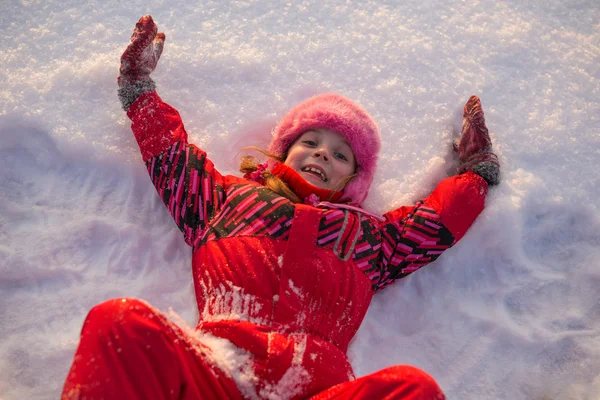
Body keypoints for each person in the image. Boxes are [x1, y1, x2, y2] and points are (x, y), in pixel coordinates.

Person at [61, 15, 500, 400]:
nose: (322, 154)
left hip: (317, 388)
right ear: (282, 152)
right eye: (310, 142)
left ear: (354, 180)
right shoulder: (223, 201)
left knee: (413, 389)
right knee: (119, 322)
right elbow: (172, 157)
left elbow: (433, 223)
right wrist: (139, 91)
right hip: (218, 371)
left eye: (340, 154)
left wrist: (476, 174)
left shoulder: (370, 240)